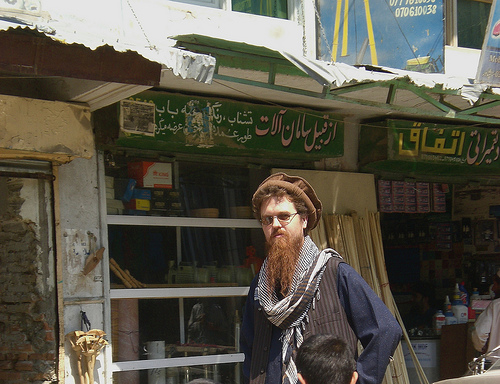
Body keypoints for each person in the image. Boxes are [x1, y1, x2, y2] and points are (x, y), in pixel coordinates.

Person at [240, 172, 402, 384]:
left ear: (304, 220)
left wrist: (361, 380)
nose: (276, 225)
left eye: (284, 216)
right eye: (267, 220)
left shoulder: (334, 273)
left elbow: (386, 329)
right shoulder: (260, 287)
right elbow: (248, 346)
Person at [471, 270, 500, 361]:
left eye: (495, 285)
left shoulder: (495, 306)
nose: (492, 289)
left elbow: (479, 333)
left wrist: (482, 348)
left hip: (495, 365)